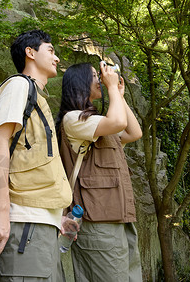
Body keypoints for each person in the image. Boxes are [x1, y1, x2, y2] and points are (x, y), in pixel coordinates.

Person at [0, 30, 72, 281]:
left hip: (42, 228)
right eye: (51, 50)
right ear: (30, 53)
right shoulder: (19, 85)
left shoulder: (36, 96)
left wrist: (59, 218)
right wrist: (1, 210)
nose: (56, 58)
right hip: (26, 226)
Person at [56, 62, 143, 281]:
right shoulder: (73, 119)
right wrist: (112, 89)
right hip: (96, 224)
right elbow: (118, 122)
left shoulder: (98, 124)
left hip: (118, 220)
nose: (100, 79)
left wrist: (120, 96)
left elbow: (134, 133)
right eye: (94, 75)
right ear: (80, 83)